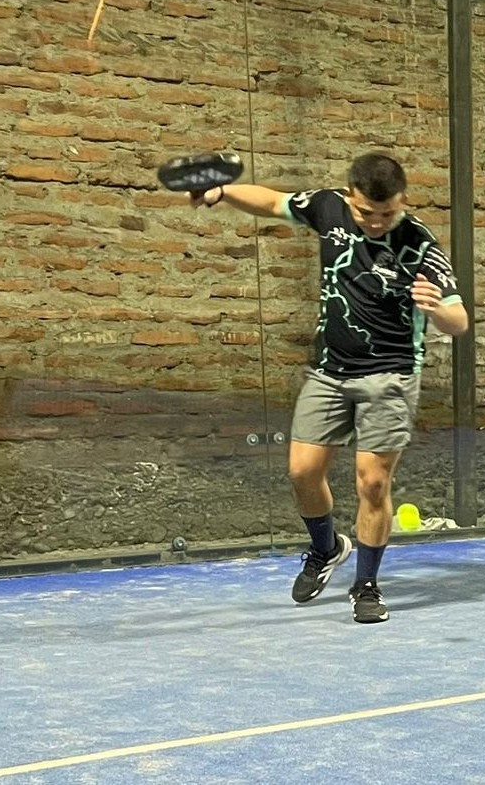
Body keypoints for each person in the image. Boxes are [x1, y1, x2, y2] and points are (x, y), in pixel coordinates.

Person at [190, 153, 469, 623]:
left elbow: (458, 321)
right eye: (365, 212)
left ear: (403, 201)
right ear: (349, 197)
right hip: (328, 372)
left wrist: (436, 308)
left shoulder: (420, 243)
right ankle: (326, 548)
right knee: (302, 473)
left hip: (390, 376)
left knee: (373, 483)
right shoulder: (327, 207)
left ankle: (366, 586)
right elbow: (272, 202)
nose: (376, 223)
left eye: (387, 213)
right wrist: (222, 192)